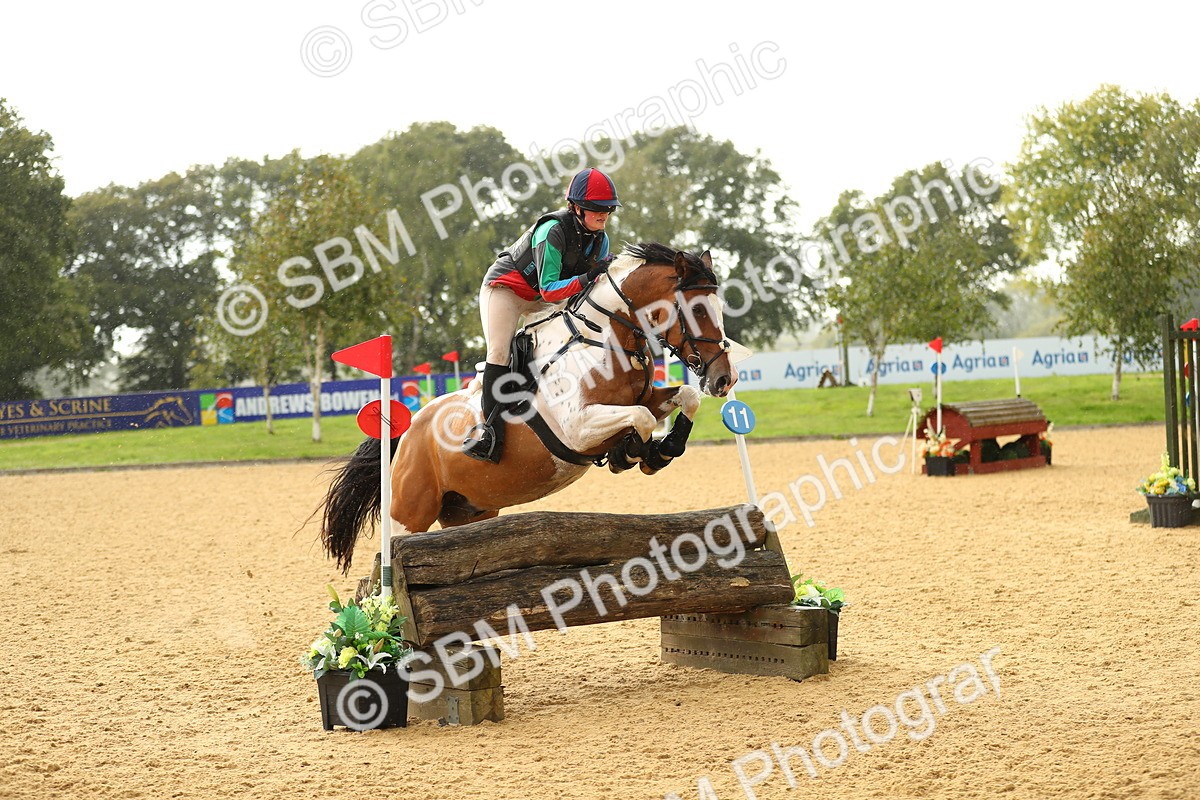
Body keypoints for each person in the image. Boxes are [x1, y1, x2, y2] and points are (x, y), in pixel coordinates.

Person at [462, 167, 621, 463]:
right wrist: (588, 277)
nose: (604, 214)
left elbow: (584, 292)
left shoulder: (601, 241)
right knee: (499, 351)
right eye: (596, 208)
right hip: (507, 291)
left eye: (608, 209)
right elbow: (549, 289)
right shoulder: (553, 230)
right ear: (576, 208)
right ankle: (489, 433)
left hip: (541, 298)